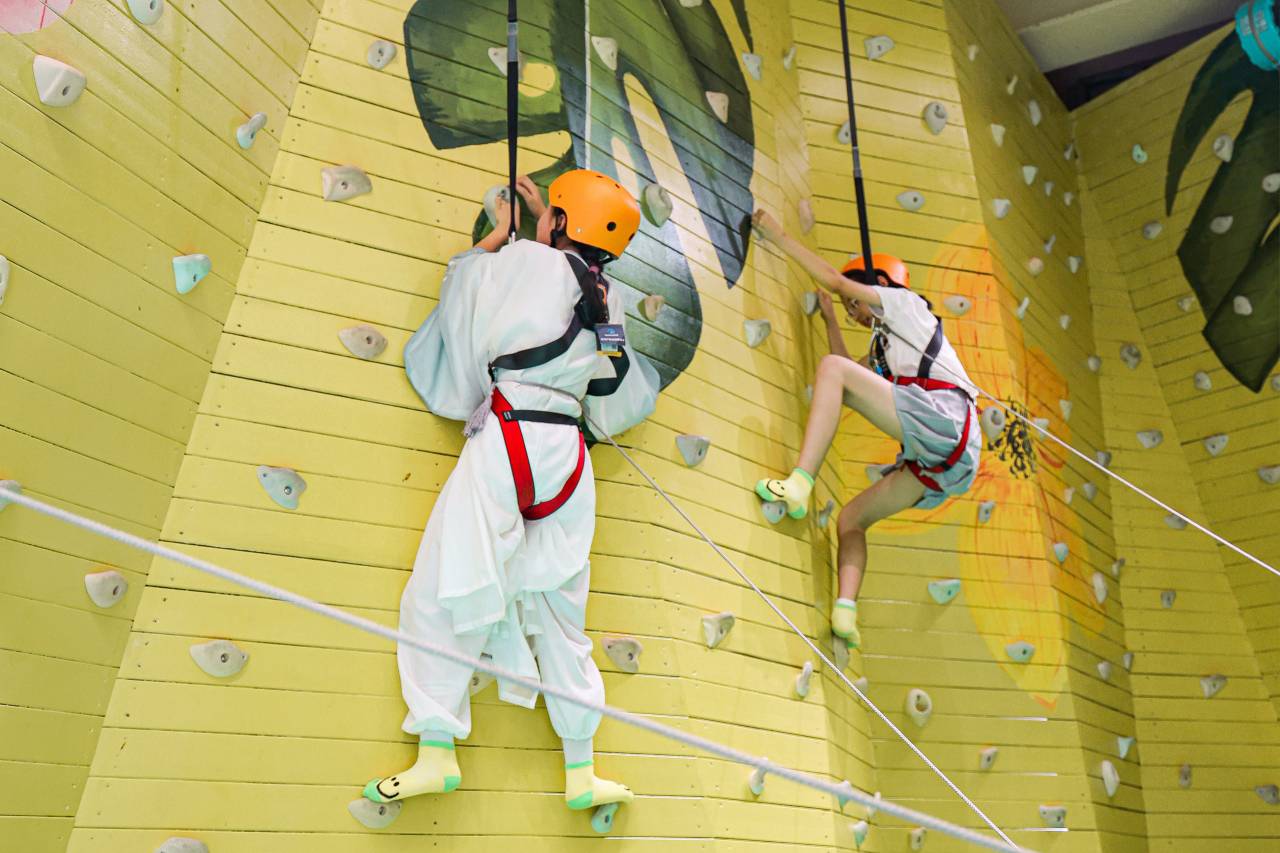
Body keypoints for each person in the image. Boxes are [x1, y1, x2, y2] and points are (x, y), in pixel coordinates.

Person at [364, 171, 659, 814]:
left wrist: (500, 235)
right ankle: (581, 771)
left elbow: (470, 291)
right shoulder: (608, 297)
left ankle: (437, 749)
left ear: (557, 222)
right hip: (569, 457)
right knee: (560, 611)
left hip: (508, 436)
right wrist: (541, 226)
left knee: (447, 581)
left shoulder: (525, 260)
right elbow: (619, 392)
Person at [750, 209, 980, 650]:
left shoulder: (905, 307)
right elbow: (847, 384)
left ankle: (800, 482)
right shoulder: (886, 346)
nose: (853, 309)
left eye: (856, 301)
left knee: (833, 371)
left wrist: (776, 235)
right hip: (941, 460)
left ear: (880, 288)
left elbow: (838, 286)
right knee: (852, 520)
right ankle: (845, 613)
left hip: (944, 420)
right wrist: (831, 322)